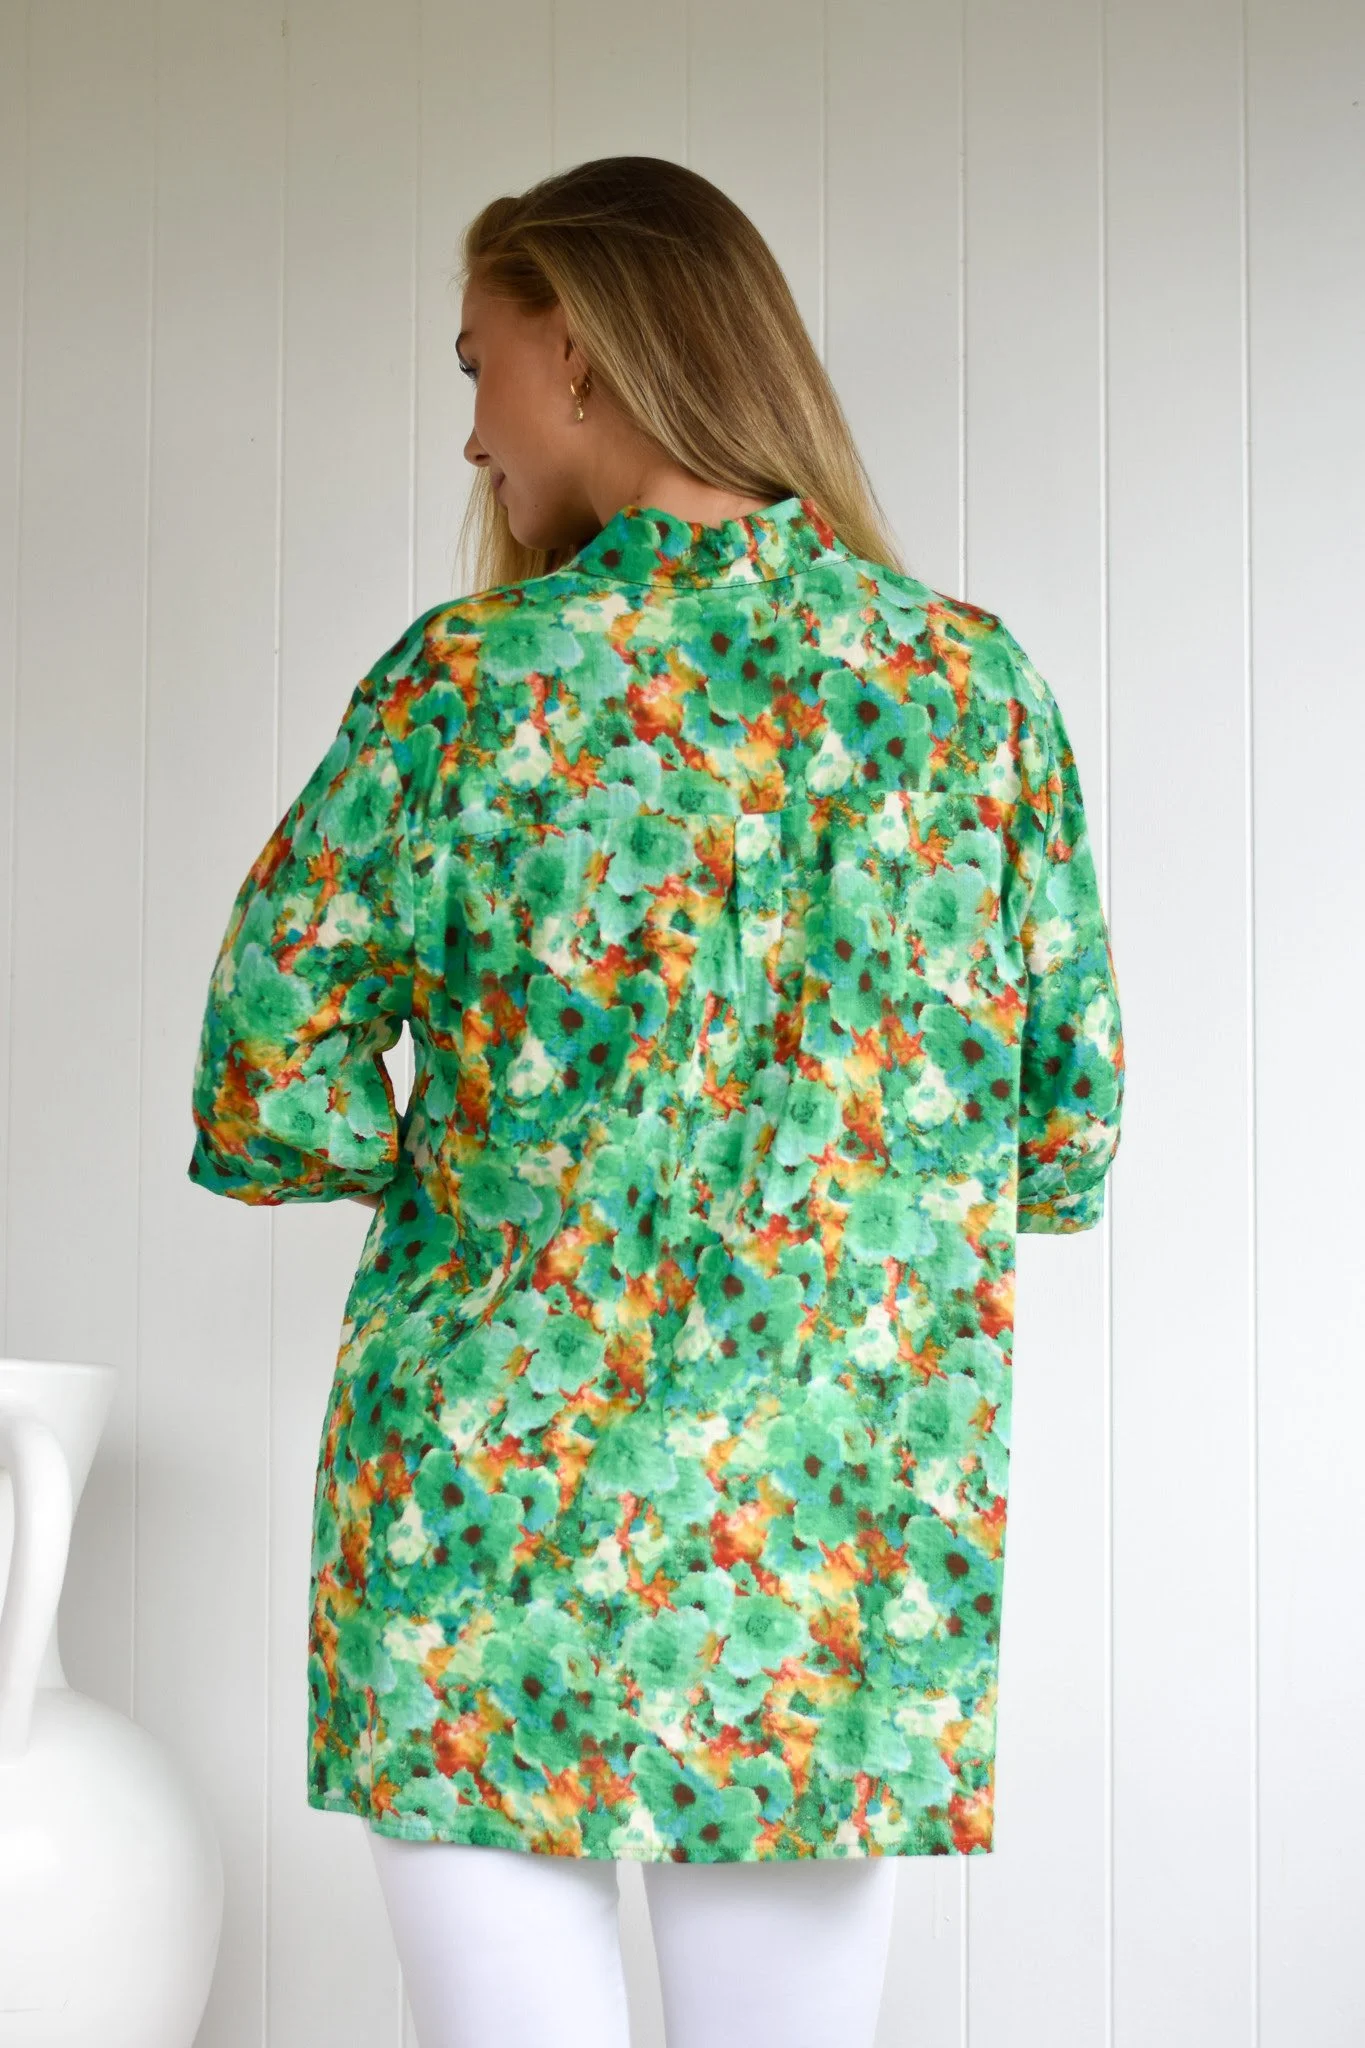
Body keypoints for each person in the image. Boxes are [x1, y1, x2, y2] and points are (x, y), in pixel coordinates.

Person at [186, 155, 1125, 2048]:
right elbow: (1065, 1130)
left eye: (479, 367)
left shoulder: (464, 691)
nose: (472, 435)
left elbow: (268, 1084)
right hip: (828, 1533)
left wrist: (490, 1175)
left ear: (583, 353)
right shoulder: (971, 692)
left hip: (477, 1522)